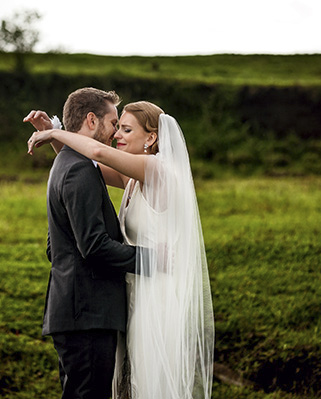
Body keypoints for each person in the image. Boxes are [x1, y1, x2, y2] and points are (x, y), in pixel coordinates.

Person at [25, 100, 214, 398]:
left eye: (126, 129)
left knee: (143, 379)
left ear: (151, 138)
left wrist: (57, 133)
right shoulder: (132, 178)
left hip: (154, 293)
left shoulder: (156, 169)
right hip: (131, 289)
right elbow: (84, 169)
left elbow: (97, 152)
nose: (117, 136)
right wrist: (56, 136)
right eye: (118, 128)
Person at [27, 87, 142, 399]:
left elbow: (56, 246)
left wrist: (55, 134)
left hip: (76, 312)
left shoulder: (68, 163)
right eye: (113, 122)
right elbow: (93, 246)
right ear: (92, 120)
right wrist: (150, 260)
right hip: (87, 314)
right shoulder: (79, 169)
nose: (116, 131)